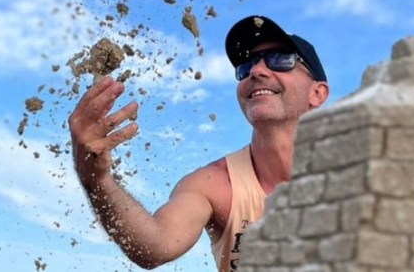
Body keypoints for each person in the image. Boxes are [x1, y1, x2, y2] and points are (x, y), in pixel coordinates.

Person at [69, 15, 330, 271]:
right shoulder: (215, 184)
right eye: (245, 66)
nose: (256, 71)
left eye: (280, 59)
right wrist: (96, 179)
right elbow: (155, 246)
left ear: (317, 93)